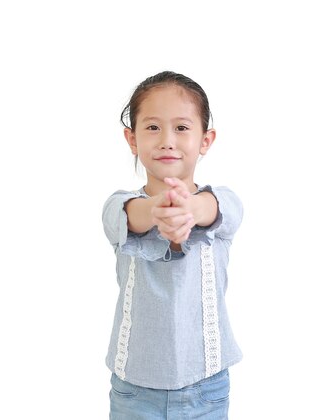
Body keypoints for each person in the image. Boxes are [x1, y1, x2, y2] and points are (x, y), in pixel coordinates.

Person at [102, 71, 243, 419]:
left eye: (181, 128)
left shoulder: (220, 202)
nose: (167, 140)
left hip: (206, 387)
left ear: (205, 140)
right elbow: (131, 215)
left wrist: (189, 208)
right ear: (132, 139)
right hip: (135, 390)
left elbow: (216, 209)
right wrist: (159, 209)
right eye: (152, 128)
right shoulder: (120, 206)